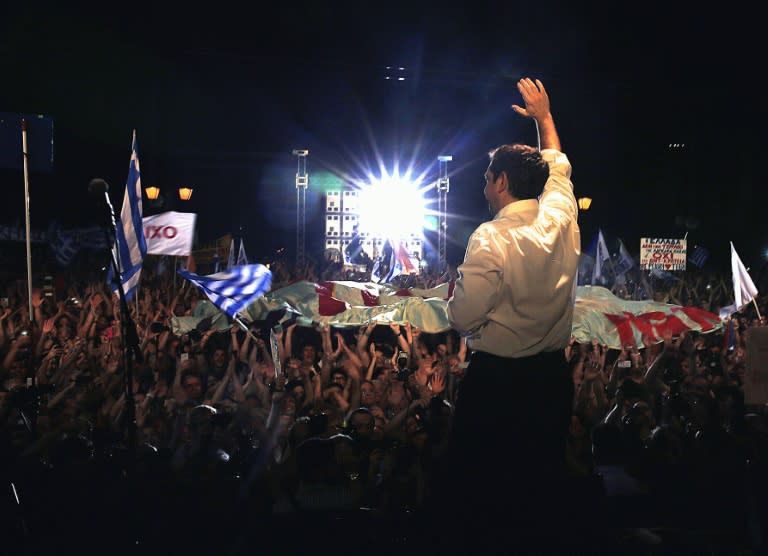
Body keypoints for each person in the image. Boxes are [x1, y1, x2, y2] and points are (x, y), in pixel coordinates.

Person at [436, 78, 581, 549]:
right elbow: (557, 167)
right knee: (540, 491)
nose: (483, 185)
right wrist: (544, 117)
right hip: (551, 383)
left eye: (485, 177)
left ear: (500, 182)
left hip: (498, 384)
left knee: (484, 496)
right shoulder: (561, 217)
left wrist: (456, 292)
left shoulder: (490, 238)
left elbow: (463, 319)